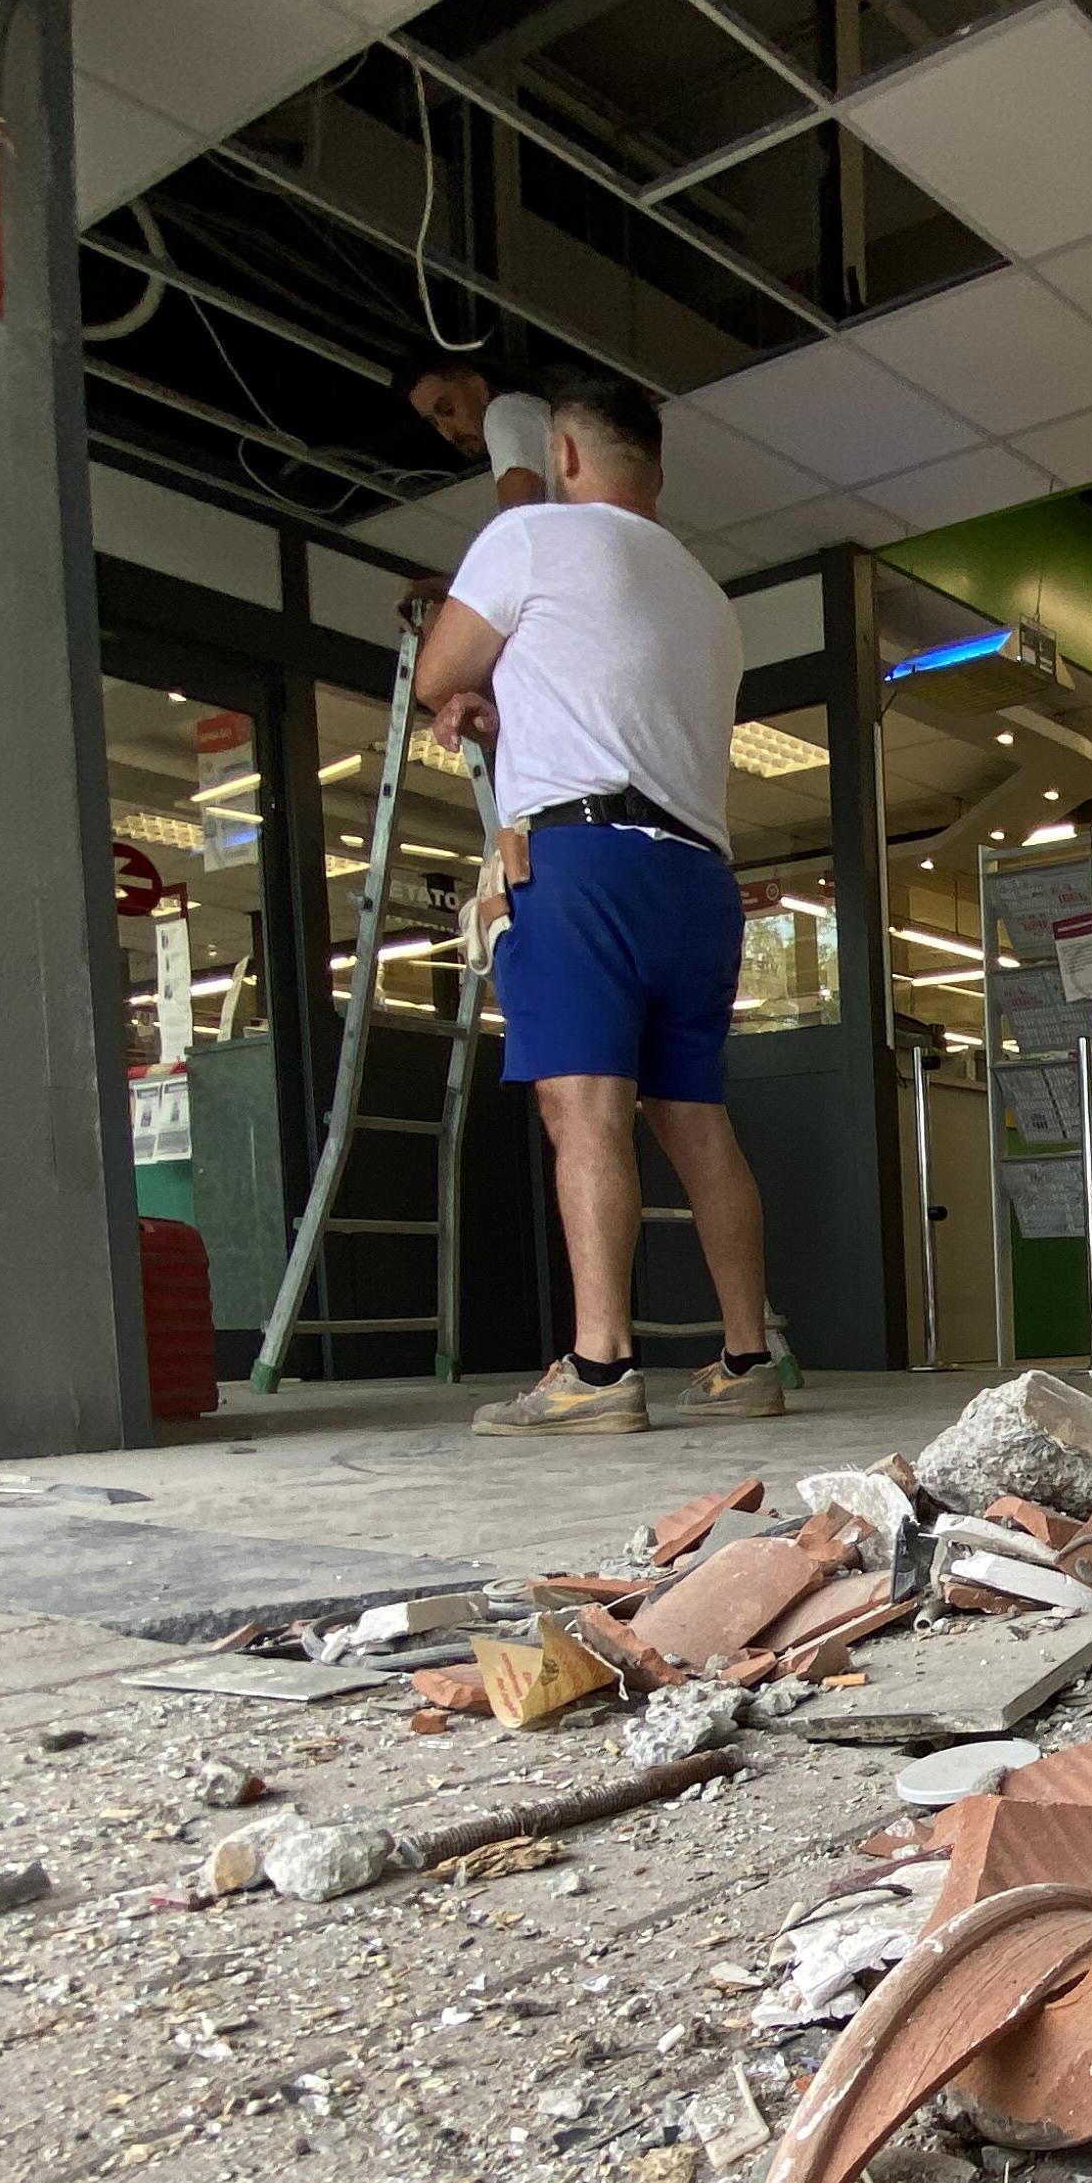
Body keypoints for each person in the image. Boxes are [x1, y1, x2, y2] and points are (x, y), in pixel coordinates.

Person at [414, 375, 785, 1433]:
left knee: (584, 1111)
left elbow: (443, 664)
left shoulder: (532, 535)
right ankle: (748, 1358)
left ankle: (598, 1369)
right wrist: (505, 697)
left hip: (581, 861)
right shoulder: (710, 600)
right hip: (698, 878)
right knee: (695, 1120)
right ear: (653, 473)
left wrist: (473, 690)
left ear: (566, 458)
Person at [397, 349, 552, 511]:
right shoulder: (530, 412)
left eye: (448, 409)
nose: (448, 434)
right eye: (434, 423)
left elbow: (518, 511)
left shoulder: (503, 410)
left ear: (477, 386)